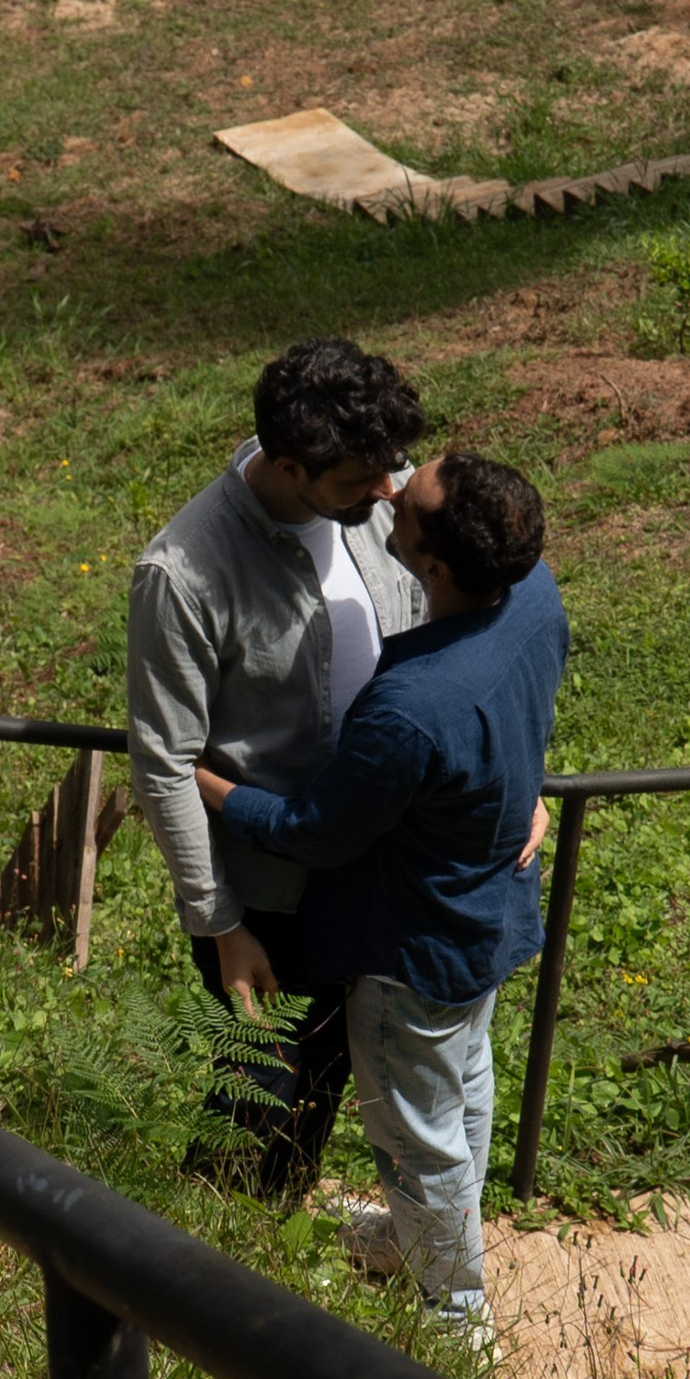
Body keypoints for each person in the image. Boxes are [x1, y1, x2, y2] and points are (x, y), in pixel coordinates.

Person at [194, 452, 565, 1346]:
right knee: (464, 1087)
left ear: (431, 567)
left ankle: (455, 1315)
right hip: (488, 917)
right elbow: (522, 707)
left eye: (413, 499)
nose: (393, 490)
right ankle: (413, 1245)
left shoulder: (411, 707)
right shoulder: (535, 592)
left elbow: (321, 829)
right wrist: (525, 789)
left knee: (415, 1131)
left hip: (412, 952)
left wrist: (210, 789)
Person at [126, 338, 423, 1195]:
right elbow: (164, 764)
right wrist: (220, 925)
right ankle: (197, 1277)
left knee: (323, 1081)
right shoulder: (183, 575)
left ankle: (272, 1254)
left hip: (369, 872)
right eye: (359, 480)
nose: (386, 493)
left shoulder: (372, 506)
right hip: (267, 900)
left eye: (389, 469)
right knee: (255, 1097)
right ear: (289, 466)